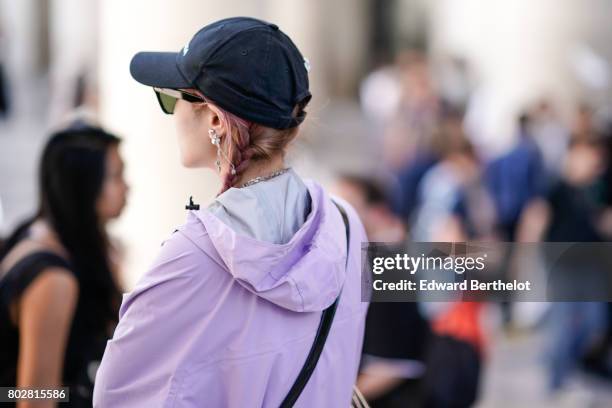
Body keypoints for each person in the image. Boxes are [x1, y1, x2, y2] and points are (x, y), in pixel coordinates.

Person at [93, 17, 368, 407]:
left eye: (173, 97)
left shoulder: (190, 257)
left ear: (216, 120)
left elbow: (115, 397)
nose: (171, 114)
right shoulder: (345, 224)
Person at [0, 123, 128, 407]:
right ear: (84, 188)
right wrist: (77, 395)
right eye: (117, 176)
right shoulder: (53, 279)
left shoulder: (40, 231)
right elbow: (34, 397)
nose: (127, 187)